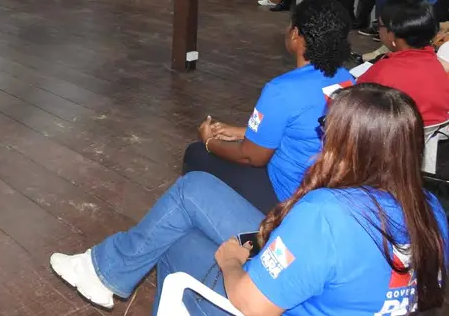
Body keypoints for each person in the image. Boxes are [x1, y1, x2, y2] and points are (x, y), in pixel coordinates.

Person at [49, 84, 449, 316]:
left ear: (349, 145)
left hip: (272, 303)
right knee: (194, 189)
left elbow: (252, 304)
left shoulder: (327, 213)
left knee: (180, 243)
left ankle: (107, 273)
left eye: (327, 128)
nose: (322, 135)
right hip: (316, 281)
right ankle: (102, 271)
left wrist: (230, 261)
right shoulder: (429, 208)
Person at [183, 0, 353, 213]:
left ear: (295, 34)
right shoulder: (347, 79)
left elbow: (251, 157)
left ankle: (221, 220)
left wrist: (209, 142)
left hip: (287, 195)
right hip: (327, 190)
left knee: (196, 153)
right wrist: (241, 132)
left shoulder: (281, 90)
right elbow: (307, 129)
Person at [358, 0, 449, 125]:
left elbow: (356, 101)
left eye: (379, 26)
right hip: (433, 135)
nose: (378, 31)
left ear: (391, 35)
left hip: (394, 134)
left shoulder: (383, 70)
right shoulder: (439, 67)